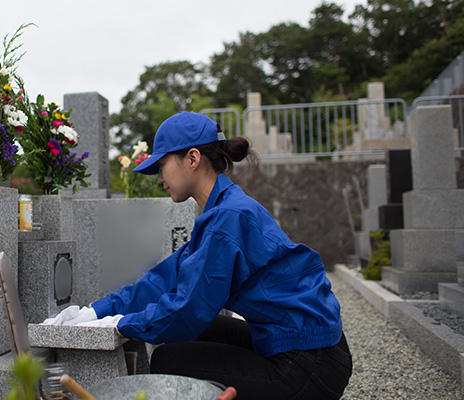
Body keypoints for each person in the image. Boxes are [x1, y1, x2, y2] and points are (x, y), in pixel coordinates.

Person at [43, 111, 352, 399]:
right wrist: (97, 311)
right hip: (297, 343)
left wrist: (121, 324)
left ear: (192, 158)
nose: (158, 177)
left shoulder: (227, 218)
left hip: (310, 363)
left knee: (169, 360)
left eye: (161, 165)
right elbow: (163, 279)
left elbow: (188, 309)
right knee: (194, 335)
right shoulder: (223, 209)